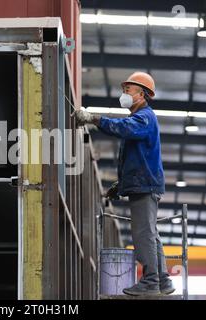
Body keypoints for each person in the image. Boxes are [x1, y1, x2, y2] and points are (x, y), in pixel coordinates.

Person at [75, 72, 175, 296]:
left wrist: (93, 118)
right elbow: (136, 160)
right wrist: (121, 186)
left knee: (143, 233)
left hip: (145, 185)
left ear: (142, 94)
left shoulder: (144, 117)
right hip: (144, 183)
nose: (124, 94)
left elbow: (123, 128)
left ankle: (150, 281)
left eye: (128, 90)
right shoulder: (142, 118)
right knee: (150, 232)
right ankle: (162, 280)